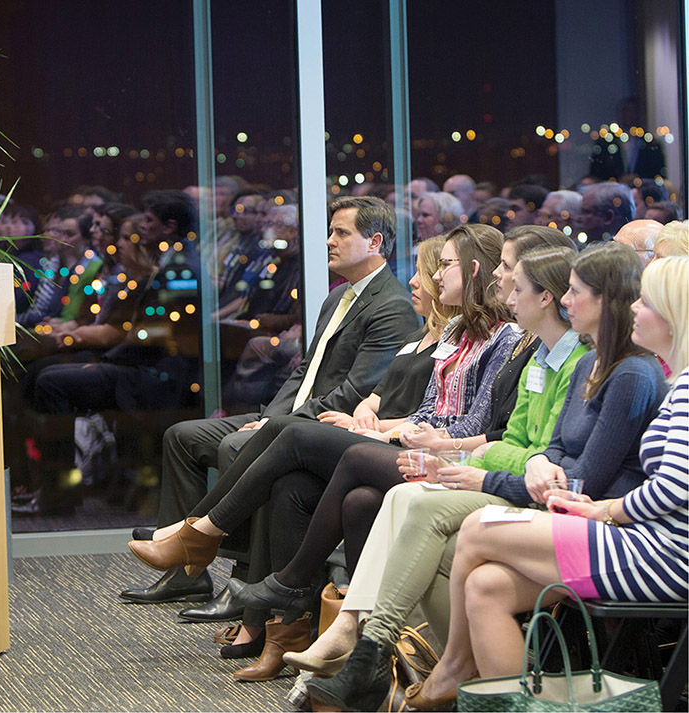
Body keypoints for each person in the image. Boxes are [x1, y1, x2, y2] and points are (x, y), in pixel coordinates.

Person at [130, 225, 517, 679]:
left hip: (441, 459)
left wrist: (390, 434)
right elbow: (426, 407)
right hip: (411, 444)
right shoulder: (457, 331)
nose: (426, 277)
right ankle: (292, 632)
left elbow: (472, 426)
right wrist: (387, 426)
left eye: (443, 265)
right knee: (303, 485)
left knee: (293, 434)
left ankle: (210, 537)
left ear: (471, 271)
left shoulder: (501, 337)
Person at [303, 243, 668, 711]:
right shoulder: (585, 365)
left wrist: (484, 475)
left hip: (594, 523)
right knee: (469, 571)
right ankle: (422, 663)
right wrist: (530, 463)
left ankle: (408, 657)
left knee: (433, 521)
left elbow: (582, 482)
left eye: (575, 292)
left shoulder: (630, 375)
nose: (566, 300)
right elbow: (550, 450)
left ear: (605, 300)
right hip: (556, 502)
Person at [120, 196, 417, 607]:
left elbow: (353, 392)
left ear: (375, 242)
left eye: (341, 233)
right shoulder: (338, 297)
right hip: (291, 417)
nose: (329, 241)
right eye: (331, 231)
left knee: (235, 444)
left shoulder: (393, 306)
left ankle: (242, 577)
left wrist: (282, 424)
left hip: (327, 424)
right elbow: (304, 371)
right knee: (182, 436)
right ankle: (184, 572)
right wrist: (273, 418)